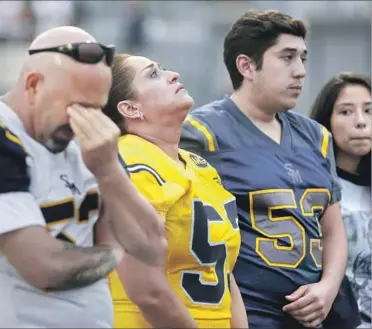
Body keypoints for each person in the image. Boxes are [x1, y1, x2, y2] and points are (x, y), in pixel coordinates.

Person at [0, 26, 167, 328]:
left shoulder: (91, 143)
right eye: (77, 106)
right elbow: (45, 268)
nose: (86, 119)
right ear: (33, 85)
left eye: (95, 107)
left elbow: (152, 246)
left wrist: (108, 170)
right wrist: (115, 251)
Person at [180, 10, 348, 329]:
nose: (300, 71)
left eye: (303, 58)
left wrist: (328, 288)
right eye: (287, 57)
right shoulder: (201, 134)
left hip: (314, 317)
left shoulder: (317, 137)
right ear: (247, 66)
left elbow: (333, 230)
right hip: (246, 314)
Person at [102, 54, 248, 328]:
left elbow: (224, 273)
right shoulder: (130, 160)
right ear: (130, 108)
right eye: (154, 74)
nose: (173, 75)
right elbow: (149, 292)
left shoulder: (199, 166)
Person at [310, 72, 371, 328]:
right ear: (327, 121)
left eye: (369, 111)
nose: (361, 122)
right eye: (346, 112)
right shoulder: (314, 188)